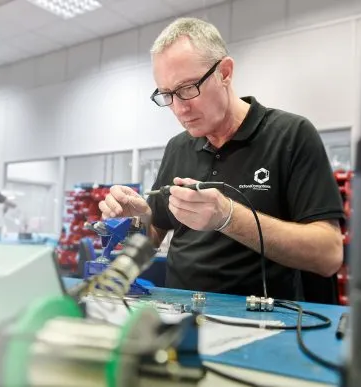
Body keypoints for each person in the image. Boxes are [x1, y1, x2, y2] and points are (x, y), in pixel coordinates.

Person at [98, 18, 344, 300]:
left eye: (188, 88)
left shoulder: (290, 135)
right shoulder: (177, 147)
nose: (179, 108)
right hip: (179, 314)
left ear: (225, 72)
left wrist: (228, 216)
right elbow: (153, 237)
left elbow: (329, 255)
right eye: (167, 94)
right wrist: (137, 221)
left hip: (261, 322)